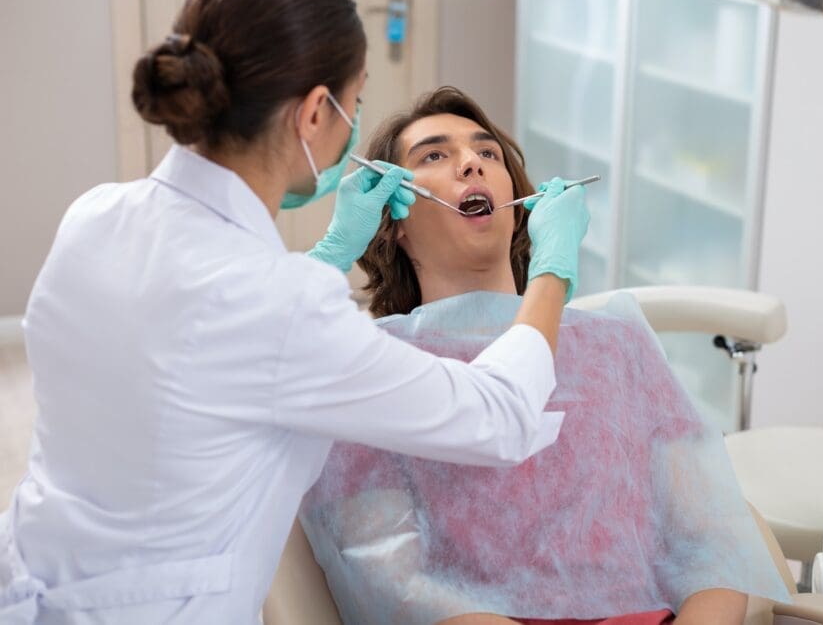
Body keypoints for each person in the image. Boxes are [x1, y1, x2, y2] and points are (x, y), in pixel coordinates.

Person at [0, 0, 589, 624]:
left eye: (486, 152)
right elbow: (500, 416)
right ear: (314, 112)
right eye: (356, 100)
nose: (470, 164)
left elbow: (225, 337)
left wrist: (328, 252)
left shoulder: (95, 215)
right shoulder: (283, 307)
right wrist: (555, 266)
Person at [299, 87, 791, 625]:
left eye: (488, 154)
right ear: (391, 220)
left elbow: (709, 540)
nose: (471, 163)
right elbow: (396, 584)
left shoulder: (616, 345)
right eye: (434, 156)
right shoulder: (371, 366)